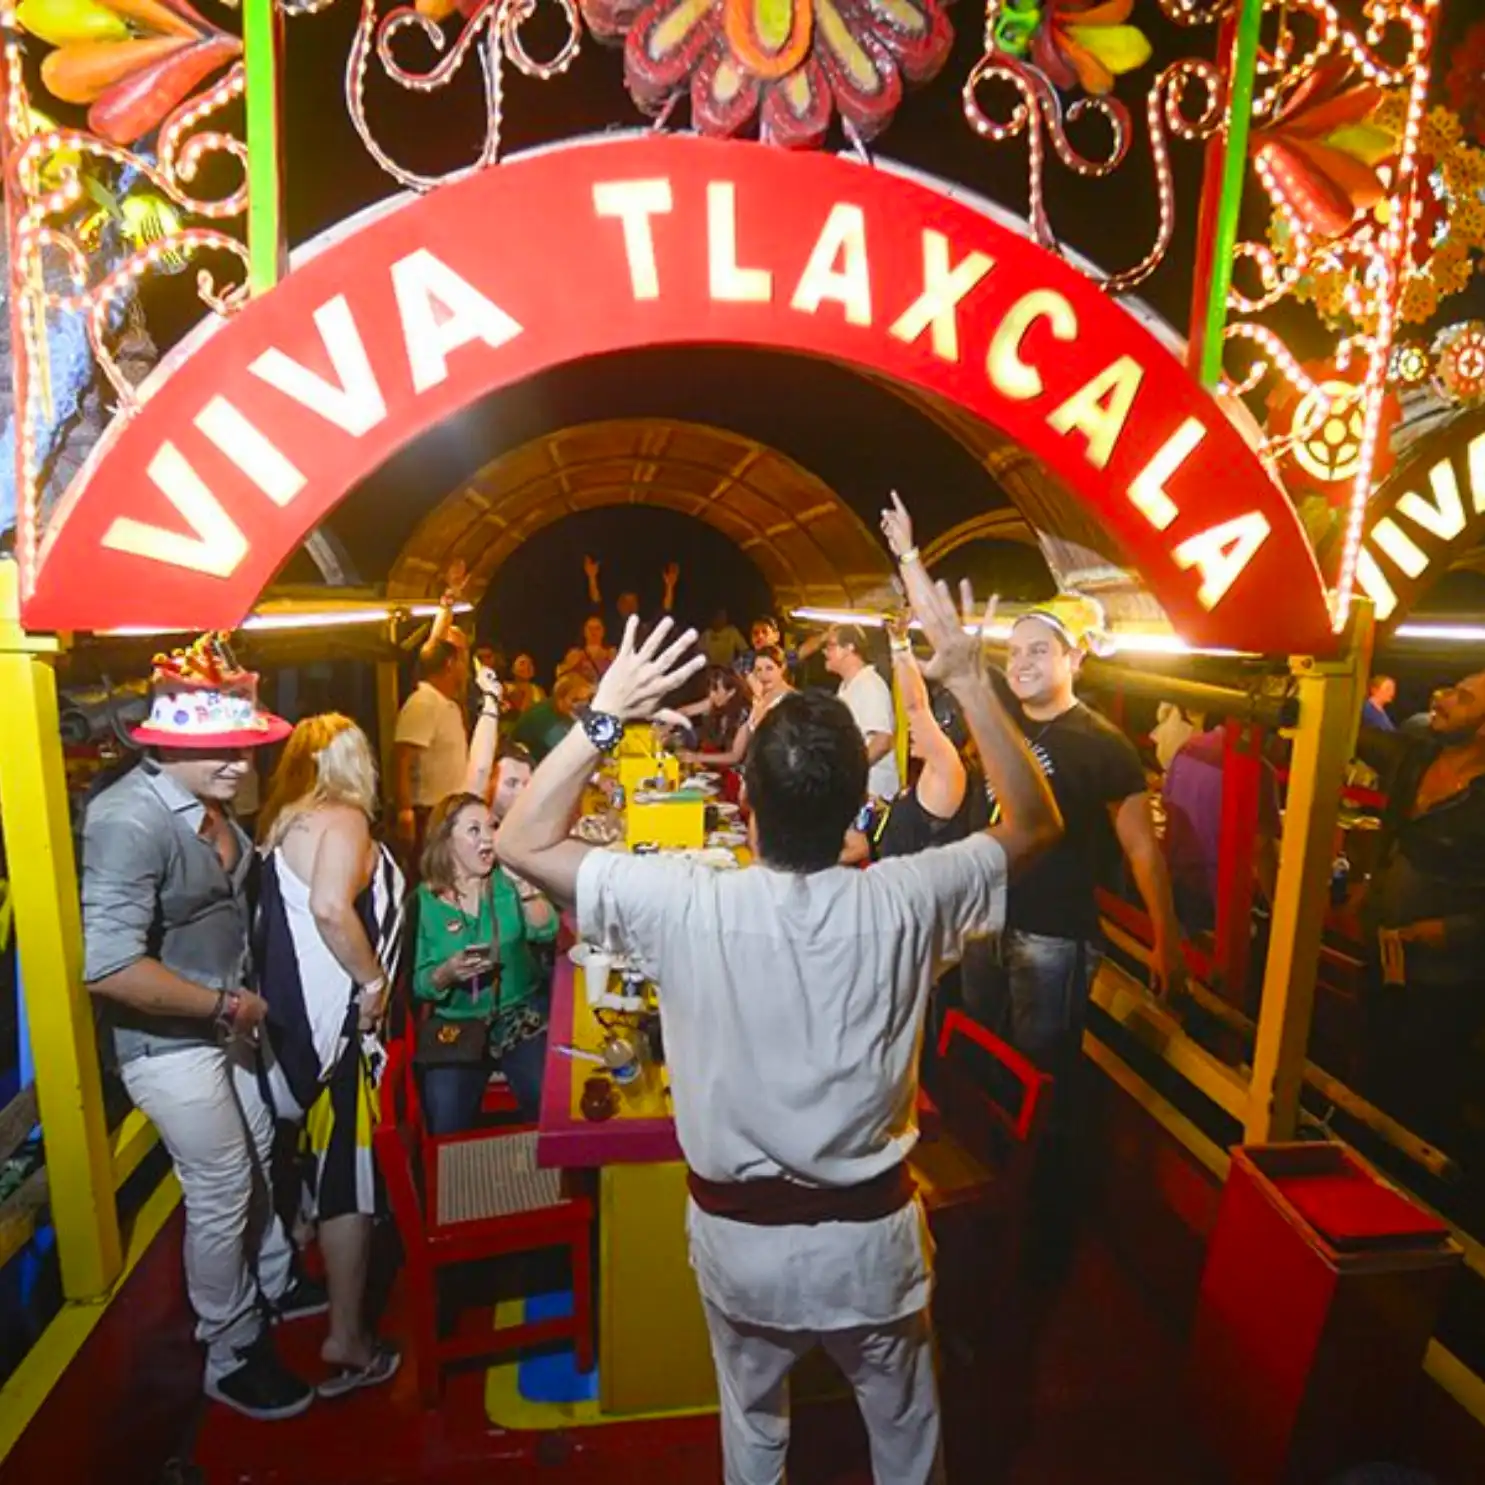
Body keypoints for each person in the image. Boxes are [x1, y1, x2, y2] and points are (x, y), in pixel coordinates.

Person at [497, 503, 1062, 1485]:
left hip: (740, 1248)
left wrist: (605, 712)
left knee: (755, 1438)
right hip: (873, 1249)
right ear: (853, 808)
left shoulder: (686, 902)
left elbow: (519, 841)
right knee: (906, 1446)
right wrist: (968, 678)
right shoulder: (905, 896)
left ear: (746, 803)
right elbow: (1035, 824)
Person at [80, 634, 318, 1420]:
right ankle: (231, 1347)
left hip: (225, 1022)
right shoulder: (129, 819)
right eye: (222, 749)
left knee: (257, 1153)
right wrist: (223, 1005)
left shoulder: (210, 801)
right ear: (167, 742)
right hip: (169, 1043)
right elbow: (110, 966)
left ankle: (273, 1281)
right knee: (221, 1187)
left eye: (244, 747)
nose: (241, 764)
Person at [246, 715, 404, 1397]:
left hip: (285, 1031)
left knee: (318, 1165)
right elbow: (332, 909)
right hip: (333, 1035)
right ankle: (347, 1336)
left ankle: (297, 1277)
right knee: (350, 1180)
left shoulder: (282, 822)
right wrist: (373, 983)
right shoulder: (343, 819)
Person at [1355, 668, 1485, 1165]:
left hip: (1445, 979)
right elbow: (1353, 735)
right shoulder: (1416, 756)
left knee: (1425, 1093)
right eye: (1450, 687)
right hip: (1385, 954)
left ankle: (1416, 1186)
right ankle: (1365, 1170)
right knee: (1374, 1072)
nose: (1441, 696)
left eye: (1462, 697)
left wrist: (1448, 931)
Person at [411, 791, 559, 1132]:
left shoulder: (506, 881)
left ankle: (547, 1164)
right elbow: (419, 984)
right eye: (474, 830)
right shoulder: (423, 902)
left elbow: (547, 930)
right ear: (446, 841)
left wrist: (526, 887)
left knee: (545, 1099)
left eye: (492, 827)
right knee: (445, 1117)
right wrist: (446, 973)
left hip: (521, 1015)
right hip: (458, 1025)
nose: (488, 838)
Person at [393, 632, 470, 864]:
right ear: (449, 664)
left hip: (449, 811)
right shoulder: (423, 703)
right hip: (428, 814)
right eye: (462, 660)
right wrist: (405, 812)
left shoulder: (446, 704)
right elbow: (402, 758)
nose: (465, 668)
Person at [677, 646, 793, 769]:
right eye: (758, 670)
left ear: (782, 667)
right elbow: (685, 711)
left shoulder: (790, 701)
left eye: (769, 668)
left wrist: (697, 757)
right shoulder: (757, 699)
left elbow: (736, 755)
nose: (763, 675)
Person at [824, 623, 901, 803]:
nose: (825, 652)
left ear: (849, 648)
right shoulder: (846, 687)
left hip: (873, 793)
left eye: (830, 646)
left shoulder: (870, 685)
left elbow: (882, 740)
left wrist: (852, 772)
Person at [584, 554, 680, 643]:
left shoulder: (643, 628)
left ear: (637, 605)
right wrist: (592, 579)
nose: (629, 607)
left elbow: (664, 612)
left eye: (632, 602)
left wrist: (669, 587)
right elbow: (597, 605)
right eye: (625, 602)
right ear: (619, 605)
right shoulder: (611, 627)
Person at [511, 672, 596, 763]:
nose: (583, 704)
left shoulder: (562, 712)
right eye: (575, 700)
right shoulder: (543, 717)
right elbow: (569, 754)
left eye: (587, 699)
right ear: (560, 701)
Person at [557, 615, 617, 686]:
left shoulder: (611, 653)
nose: (593, 632)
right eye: (590, 628)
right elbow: (561, 673)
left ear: (603, 631)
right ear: (584, 632)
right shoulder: (575, 654)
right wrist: (573, 663)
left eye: (597, 628)